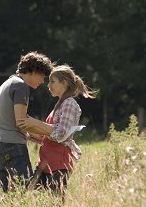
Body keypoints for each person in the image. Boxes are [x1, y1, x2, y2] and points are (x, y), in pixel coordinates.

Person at [17, 64, 98, 195]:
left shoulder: (69, 104)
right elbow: (49, 135)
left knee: (56, 204)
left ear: (64, 83)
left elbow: (61, 134)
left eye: (52, 81)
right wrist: (28, 133)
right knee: (29, 196)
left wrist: (35, 122)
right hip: (45, 163)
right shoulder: (60, 104)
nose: (48, 85)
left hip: (58, 165)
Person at [0, 51, 53, 192]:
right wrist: (50, 131)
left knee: (9, 192)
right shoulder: (21, 86)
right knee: (25, 189)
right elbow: (21, 121)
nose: (42, 81)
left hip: (1, 144)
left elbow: (10, 121)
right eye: (42, 76)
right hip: (13, 146)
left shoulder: (7, 83)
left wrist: (32, 135)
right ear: (33, 71)